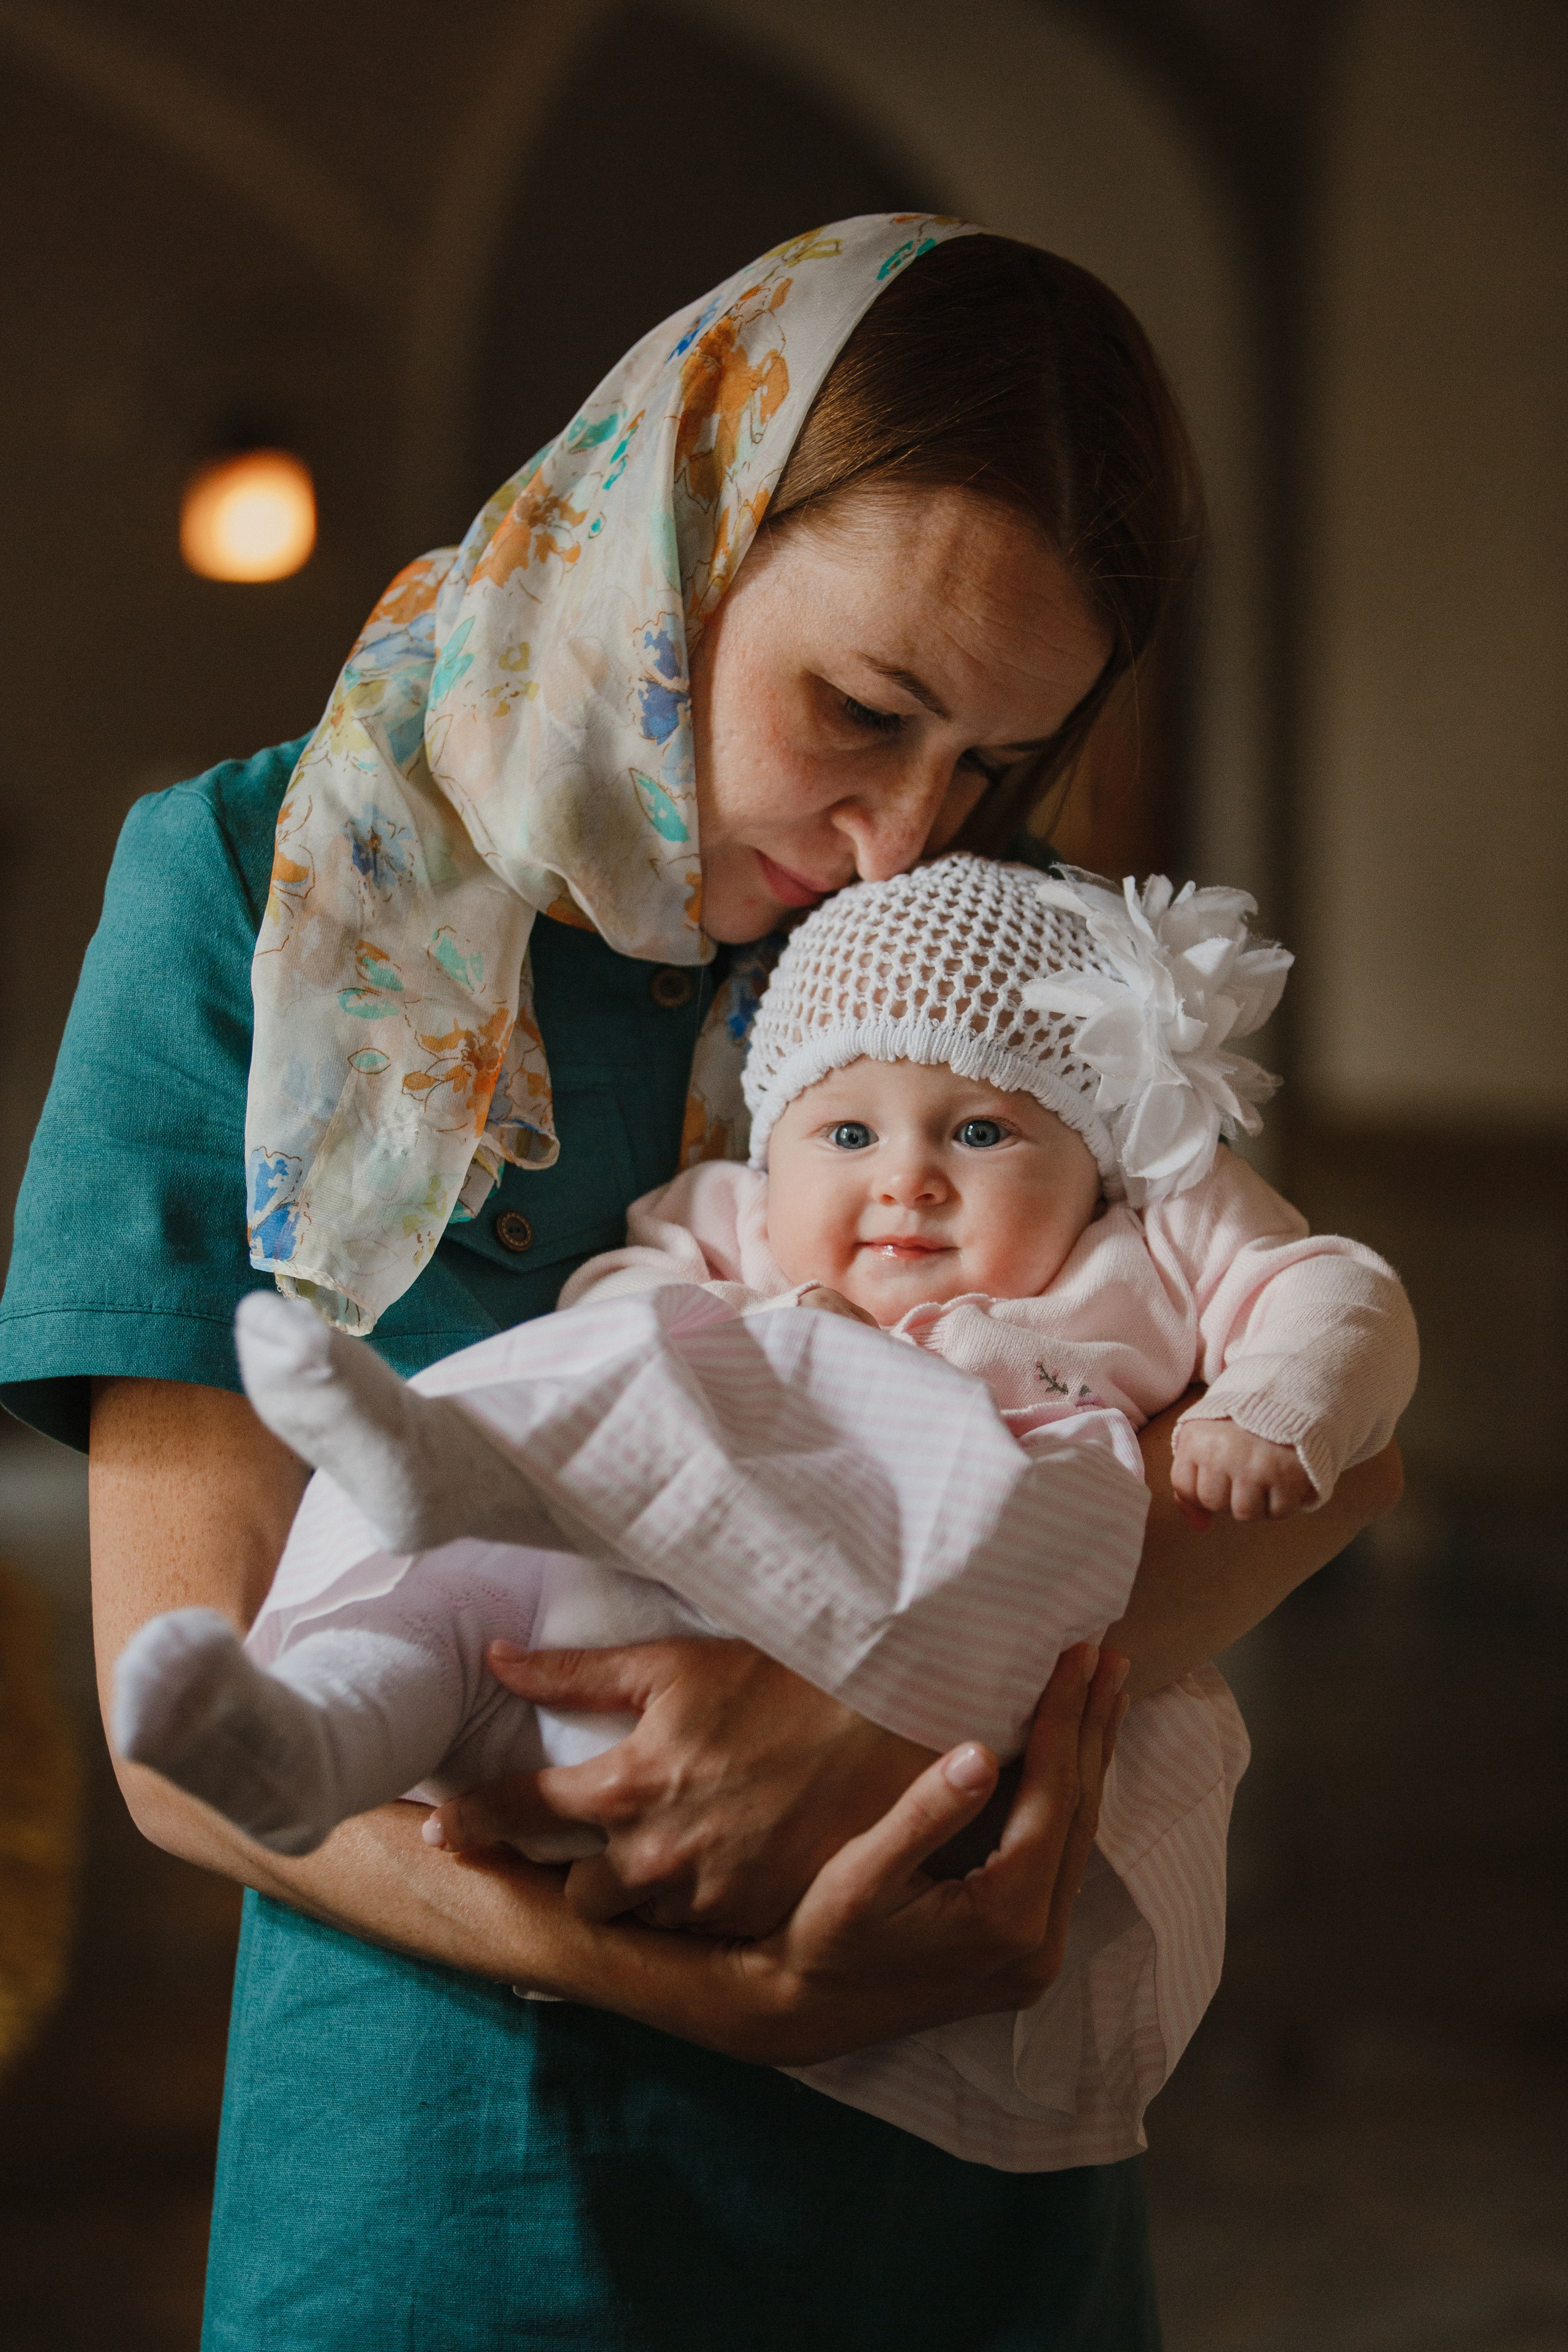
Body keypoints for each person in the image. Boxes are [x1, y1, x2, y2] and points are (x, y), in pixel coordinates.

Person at [0, 217, 1402, 2348]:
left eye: (990, 762)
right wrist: (707, 1983)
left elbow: (1332, 1452)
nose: (899, 833)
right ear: (679, 529)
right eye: (864, 709)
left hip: (960, 2165)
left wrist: (881, 1723)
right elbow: (181, 1732)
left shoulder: (978, 941)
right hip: (468, 2174)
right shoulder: (255, 896)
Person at [108, 851, 1415, 2173]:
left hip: (935, 1582)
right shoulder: (736, 1227)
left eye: (980, 1132)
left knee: (975, 1486)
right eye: (846, 1136)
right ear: (772, 1149)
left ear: (1091, 1151)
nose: (907, 1179)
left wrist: (1272, 1405)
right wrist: (761, 1337)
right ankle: (311, 1728)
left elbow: (1337, 1289)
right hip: (623, 1594)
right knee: (454, 1603)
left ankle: (465, 1474)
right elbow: (608, 1324)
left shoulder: (1141, 1240)